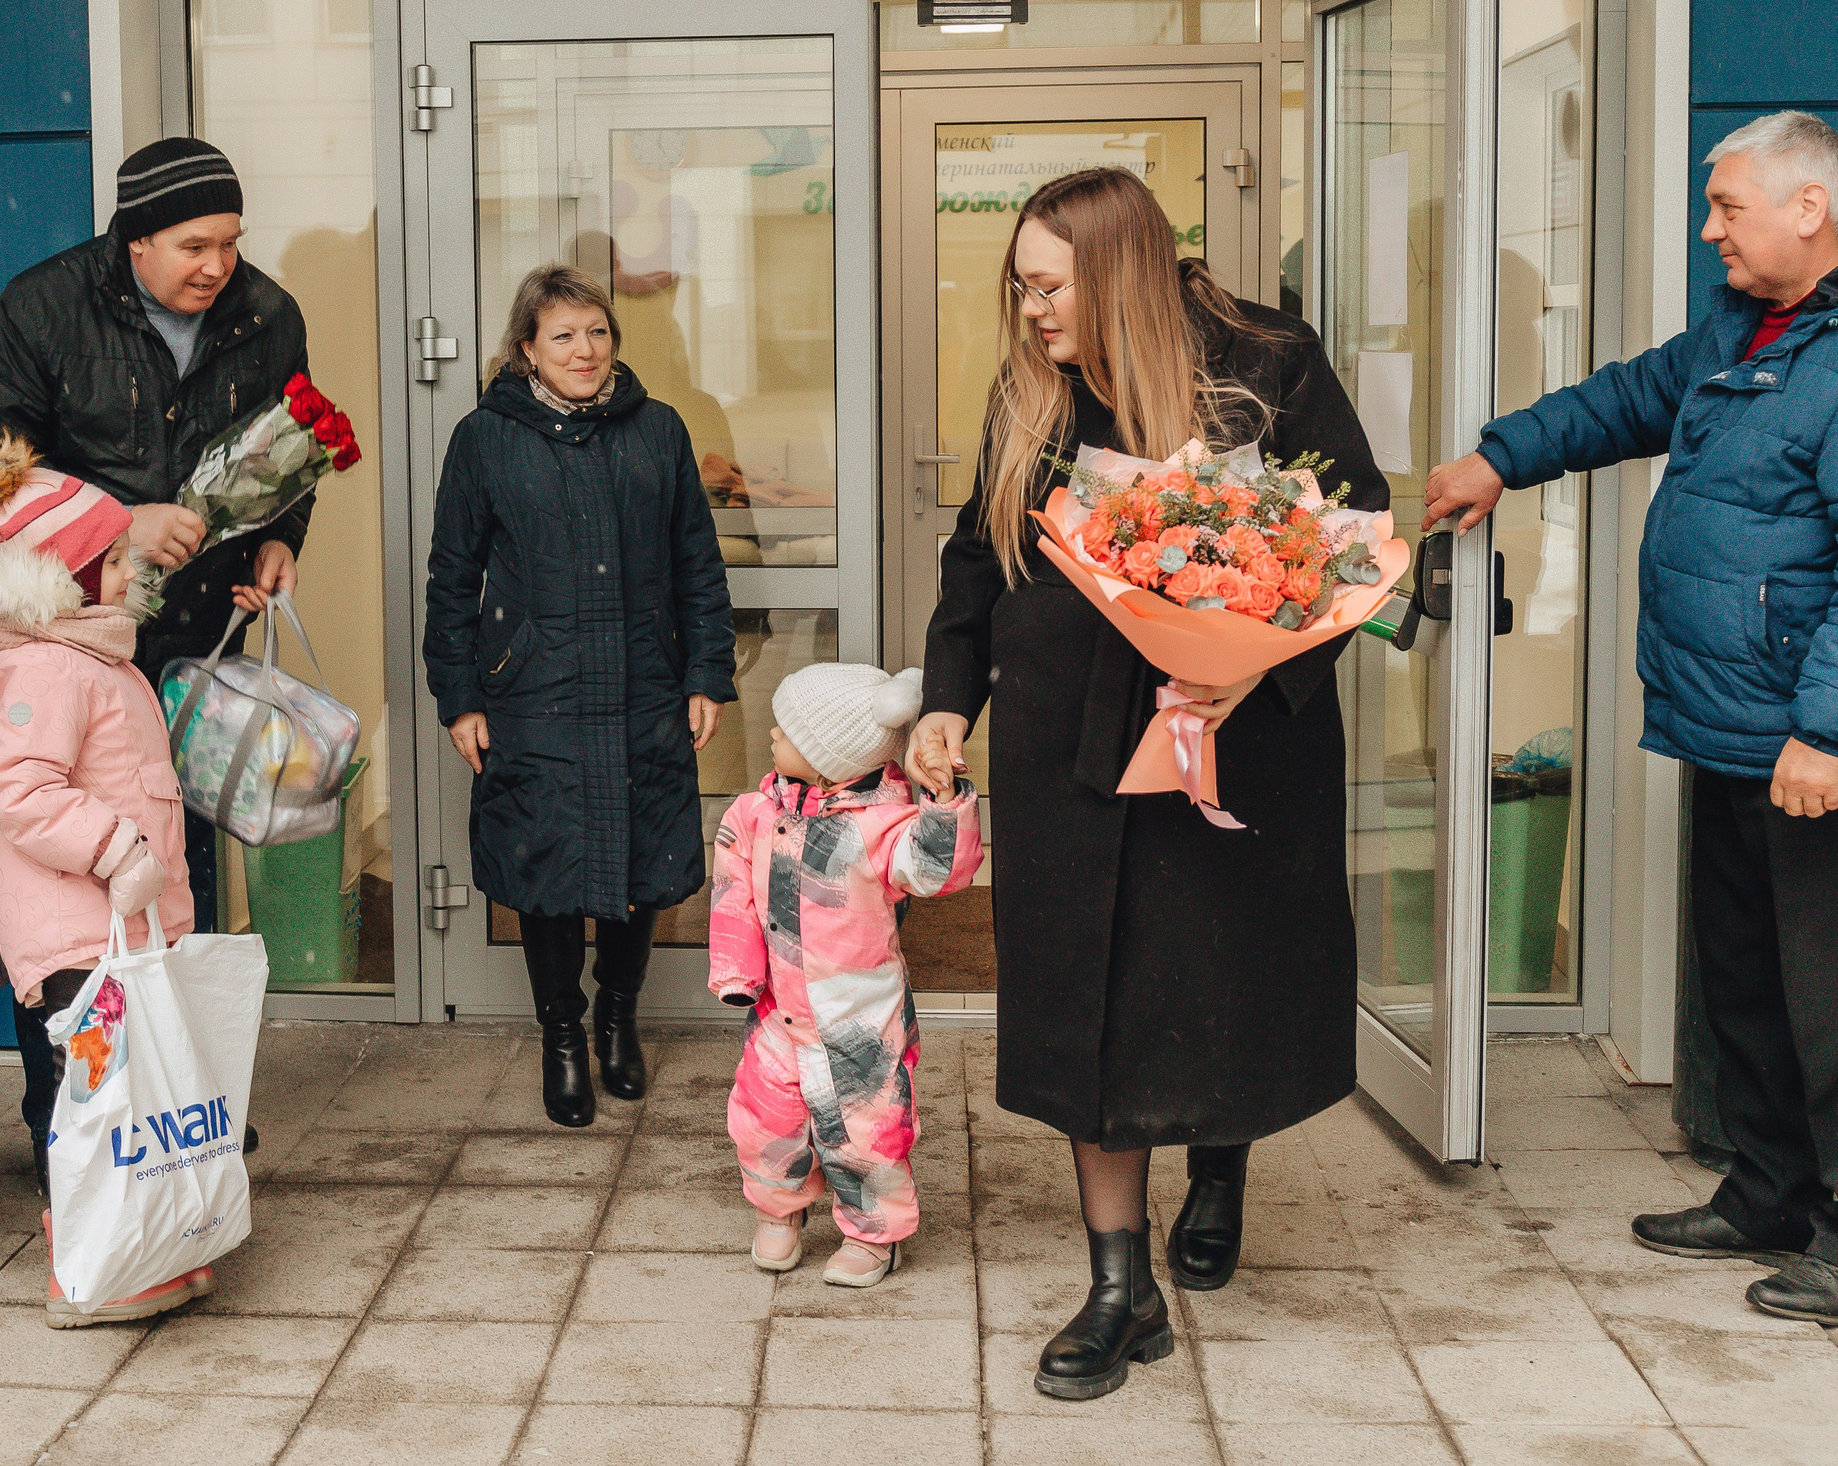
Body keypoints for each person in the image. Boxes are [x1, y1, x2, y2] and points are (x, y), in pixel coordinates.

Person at [1426, 110, 1838, 1327]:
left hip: (1822, 739)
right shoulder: (1750, 325)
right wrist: (1498, 460)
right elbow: (1630, 399)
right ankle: (1769, 1191)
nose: (1710, 227)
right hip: (1732, 717)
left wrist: (1830, 731)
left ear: (1807, 211)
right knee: (1746, 979)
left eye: (1728, 206)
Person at [903, 167, 1385, 1401]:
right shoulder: (1033, 395)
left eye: (1049, 286)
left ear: (1117, 267)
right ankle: (1121, 1288)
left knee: (1216, 977)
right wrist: (951, 698)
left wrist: (1257, 663)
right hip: (1072, 751)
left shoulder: (1265, 363)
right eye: (1019, 288)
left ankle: (1216, 1165)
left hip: (1234, 739)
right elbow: (979, 551)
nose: (1031, 314)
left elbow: (1356, 529)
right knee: (1093, 1004)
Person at [0, 137, 314, 937]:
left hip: (197, 645)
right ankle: (76, 1054)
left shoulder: (269, 316)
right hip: (74, 641)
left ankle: (177, 1055)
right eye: (195, 246)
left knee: (184, 869)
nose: (218, 265)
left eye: (230, 242)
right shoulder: (42, 306)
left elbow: (290, 447)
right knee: (77, 872)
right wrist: (116, 524)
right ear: (136, 239)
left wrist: (278, 543)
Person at [424, 264, 737, 1126]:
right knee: (547, 872)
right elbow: (452, 579)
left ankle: (617, 1018)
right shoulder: (485, 438)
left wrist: (707, 671)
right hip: (533, 694)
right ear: (526, 347)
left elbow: (696, 566)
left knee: (638, 867)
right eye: (563, 335)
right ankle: (562, 1037)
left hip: (644, 686)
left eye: (597, 332)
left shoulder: (659, 431)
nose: (585, 350)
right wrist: (459, 697)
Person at [0, 431, 216, 1328]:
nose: (134, 572)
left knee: (126, 1097)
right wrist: (116, 852)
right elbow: (17, 786)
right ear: (70, 574)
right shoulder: (45, 665)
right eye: (118, 558)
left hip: (117, 926)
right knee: (87, 1102)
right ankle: (86, 1267)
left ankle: (147, 1243)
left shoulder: (93, 651)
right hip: (73, 936)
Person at [708, 664, 983, 1288]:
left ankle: (872, 1232)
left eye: (790, 729)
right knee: (765, 1118)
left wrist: (942, 804)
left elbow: (939, 871)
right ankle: (779, 1211)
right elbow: (733, 894)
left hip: (860, 1015)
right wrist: (738, 971)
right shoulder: (754, 814)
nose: (773, 733)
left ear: (831, 759)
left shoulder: (880, 827)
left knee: (868, 1130)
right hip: (778, 1010)